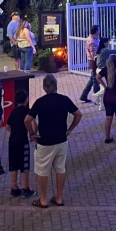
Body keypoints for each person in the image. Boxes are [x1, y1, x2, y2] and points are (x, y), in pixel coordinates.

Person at [26, 74, 82, 208]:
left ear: (44, 87)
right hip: (61, 140)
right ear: (56, 86)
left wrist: (32, 133)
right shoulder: (64, 100)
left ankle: (43, 199)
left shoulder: (40, 102)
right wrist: (70, 129)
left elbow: (27, 119)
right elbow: (78, 114)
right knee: (60, 169)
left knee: (42, 171)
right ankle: (59, 197)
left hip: (45, 142)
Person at [6, 89, 34, 197]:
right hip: (23, 141)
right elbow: (33, 123)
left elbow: (8, 126)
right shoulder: (28, 111)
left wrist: (15, 131)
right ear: (26, 99)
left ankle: (14, 188)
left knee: (13, 165)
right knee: (24, 165)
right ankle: (26, 188)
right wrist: (32, 134)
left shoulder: (13, 111)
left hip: (12, 141)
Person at [79, 25, 101, 103]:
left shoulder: (92, 39)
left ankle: (84, 96)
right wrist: (97, 62)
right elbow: (93, 53)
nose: (99, 31)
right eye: (98, 30)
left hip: (92, 61)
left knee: (92, 79)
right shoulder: (92, 41)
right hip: (93, 61)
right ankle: (97, 99)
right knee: (96, 80)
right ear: (95, 31)